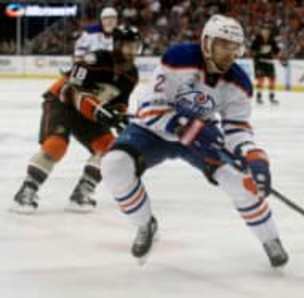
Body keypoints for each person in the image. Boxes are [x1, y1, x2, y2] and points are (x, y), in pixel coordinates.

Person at [101, 15, 289, 267]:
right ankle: (145, 223)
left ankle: (270, 238)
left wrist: (253, 156)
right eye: (223, 44)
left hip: (199, 134)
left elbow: (237, 129)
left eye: (235, 46)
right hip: (154, 129)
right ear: (207, 42)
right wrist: (187, 129)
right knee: (114, 165)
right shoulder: (179, 58)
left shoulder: (239, 83)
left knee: (241, 182)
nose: (229, 52)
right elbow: (150, 107)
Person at [11, 26, 141, 214]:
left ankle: (82, 192)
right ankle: (26, 191)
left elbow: (120, 102)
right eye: (129, 46)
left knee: (110, 149)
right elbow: (71, 91)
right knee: (56, 144)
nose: (133, 52)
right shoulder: (96, 60)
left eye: (136, 47)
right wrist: (99, 110)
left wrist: (119, 117)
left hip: (90, 111)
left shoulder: (132, 75)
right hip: (61, 102)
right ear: (118, 45)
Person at [251, 25, 281, 105]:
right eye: (264, 30)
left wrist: (279, 54)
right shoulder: (257, 39)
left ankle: (272, 96)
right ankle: (259, 96)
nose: (265, 32)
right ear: (261, 31)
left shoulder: (272, 40)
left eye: (267, 31)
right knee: (261, 80)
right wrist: (259, 51)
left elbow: (276, 50)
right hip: (259, 62)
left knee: (272, 79)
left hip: (269, 62)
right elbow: (252, 50)